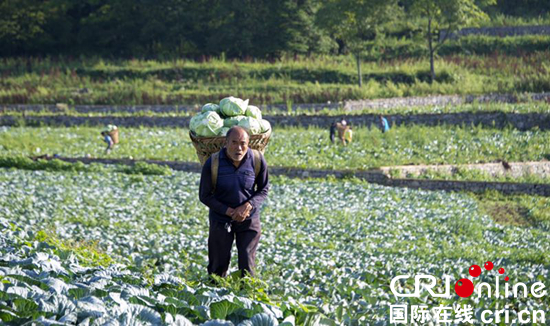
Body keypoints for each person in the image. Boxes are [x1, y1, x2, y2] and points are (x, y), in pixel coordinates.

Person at [199, 126, 269, 278]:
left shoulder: (257, 160)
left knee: (247, 264)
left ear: (248, 143)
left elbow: (263, 189)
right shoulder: (213, 162)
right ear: (226, 143)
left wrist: (248, 206)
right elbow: (204, 195)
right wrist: (229, 211)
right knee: (217, 266)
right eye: (234, 142)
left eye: (243, 143)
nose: (239, 147)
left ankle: (248, 297)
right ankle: (215, 296)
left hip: (249, 219)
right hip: (221, 219)